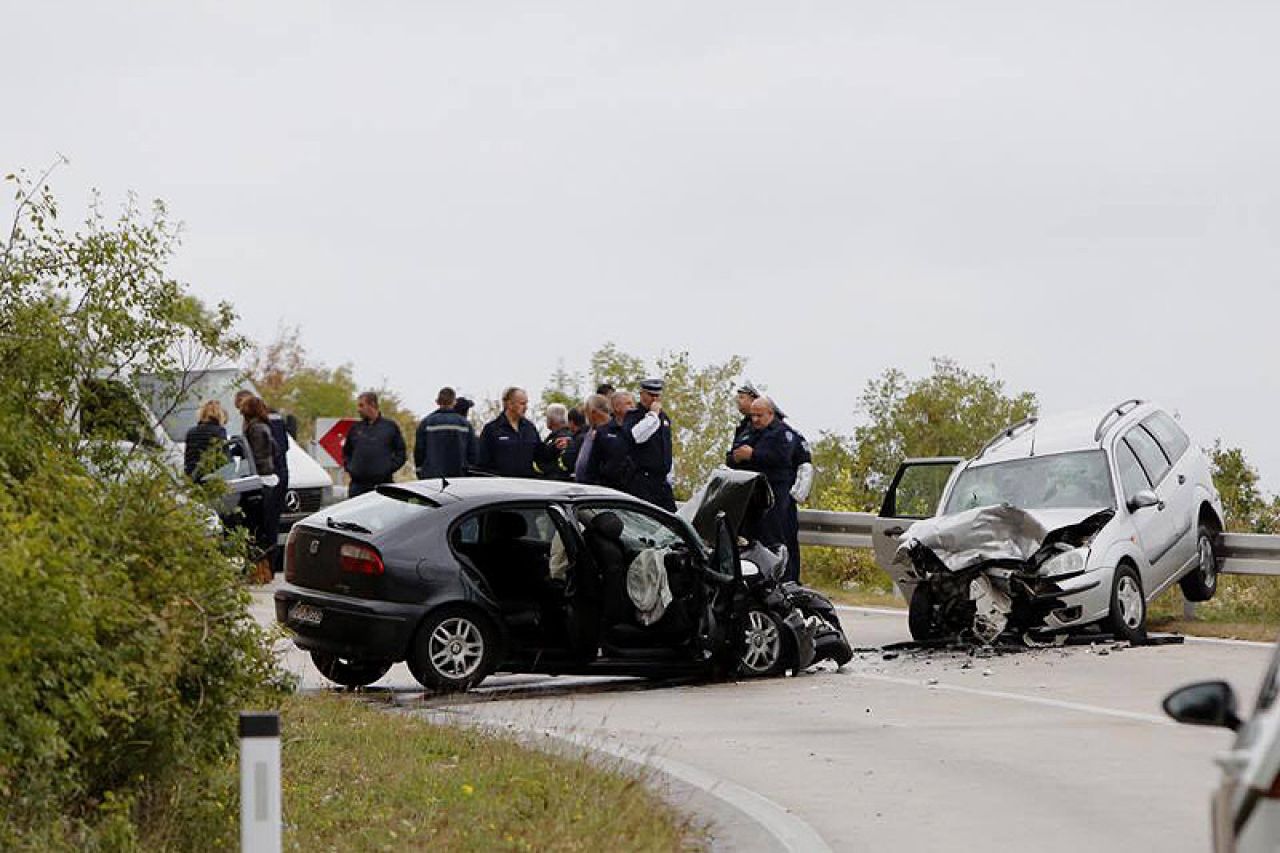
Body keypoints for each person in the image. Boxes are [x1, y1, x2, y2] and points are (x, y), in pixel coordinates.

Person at [727, 396, 797, 553]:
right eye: (753, 416)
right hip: (750, 497)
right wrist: (736, 458)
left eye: (759, 415)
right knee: (748, 541)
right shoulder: (748, 432)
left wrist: (753, 455)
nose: (755, 420)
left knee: (772, 540)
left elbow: (780, 458)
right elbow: (732, 457)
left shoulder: (782, 433)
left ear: (770, 414)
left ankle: (780, 576)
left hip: (774, 497)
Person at [476, 386, 556, 478]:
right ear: (510, 404)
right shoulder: (492, 429)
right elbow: (482, 463)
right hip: (500, 486)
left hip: (525, 485)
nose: (526, 407)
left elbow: (540, 455)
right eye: (522, 404)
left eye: (526, 403)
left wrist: (554, 448)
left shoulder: (529, 428)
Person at [622, 378, 675, 511]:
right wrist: (653, 415)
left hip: (662, 482)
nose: (654, 399)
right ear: (642, 394)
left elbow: (666, 447)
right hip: (642, 481)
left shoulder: (664, 418)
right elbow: (637, 436)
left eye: (657, 396)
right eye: (651, 395)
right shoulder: (633, 416)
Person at [343, 391, 407, 497]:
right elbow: (347, 452)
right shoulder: (355, 428)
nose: (358, 409)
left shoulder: (389, 427)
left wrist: (387, 468)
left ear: (372, 405)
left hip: (382, 485)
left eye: (361, 405)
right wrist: (351, 468)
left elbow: (401, 452)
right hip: (358, 486)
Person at [240, 395, 280, 558]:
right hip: (268, 476)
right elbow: (275, 450)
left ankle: (260, 563)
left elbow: (254, 456)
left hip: (260, 478)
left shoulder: (255, 429)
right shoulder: (264, 426)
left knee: (257, 526)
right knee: (266, 524)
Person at [414, 387, 474, 479]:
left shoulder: (426, 423)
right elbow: (472, 452)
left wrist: (420, 471)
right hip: (458, 476)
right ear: (454, 402)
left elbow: (419, 451)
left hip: (432, 477)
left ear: (437, 402)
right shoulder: (464, 424)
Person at [583, 393, 633, 489]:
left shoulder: (634, 430)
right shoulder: (602, 432)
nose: (632, 407)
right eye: (628, 403)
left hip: (629, 488)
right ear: (617, 407)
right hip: (604, 488)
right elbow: (592, 465)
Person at [184, 399, 228, 479]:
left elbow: (188, 459)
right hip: (211, 477)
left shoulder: (191, 432)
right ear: (219, 414)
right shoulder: (219, 431)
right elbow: (223, 459)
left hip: (192, 477)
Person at [536, 403, 574, 480]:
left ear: (552, 419)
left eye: (547, 417)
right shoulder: (572, 435)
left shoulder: (560, 439)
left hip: (556, 481)